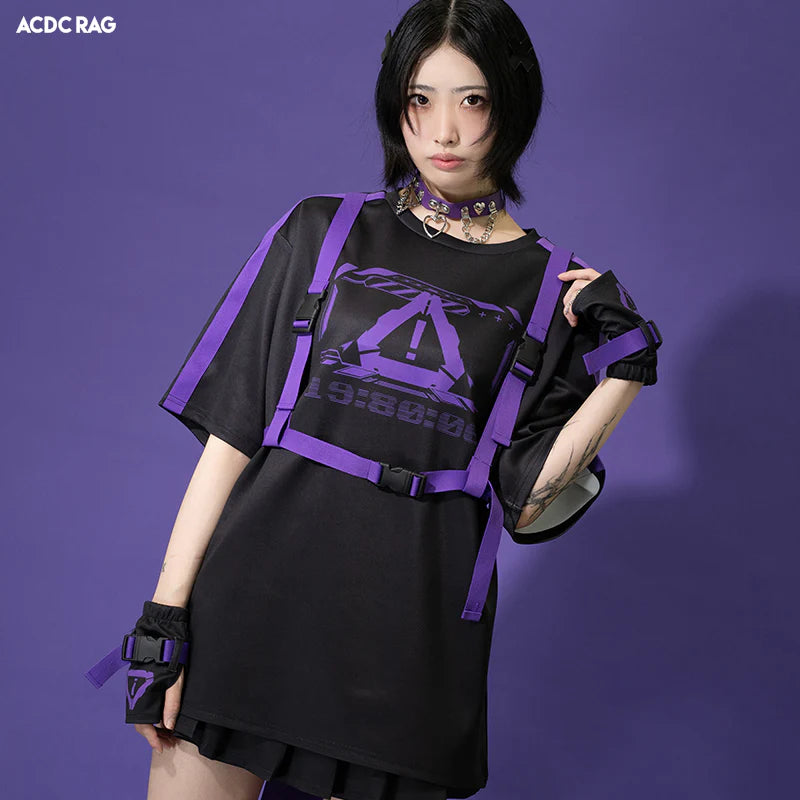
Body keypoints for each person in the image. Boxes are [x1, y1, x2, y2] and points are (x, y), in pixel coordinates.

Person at [102, 1, 662, 798]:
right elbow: (233, 440)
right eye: (419, 99)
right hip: (248, 614)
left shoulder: (550, 290)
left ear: (512, 103)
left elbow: (528, 501)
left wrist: (625, 370)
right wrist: (164, 621)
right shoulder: (321, 231)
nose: (444, 131)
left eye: (473, 100)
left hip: (408, 652)